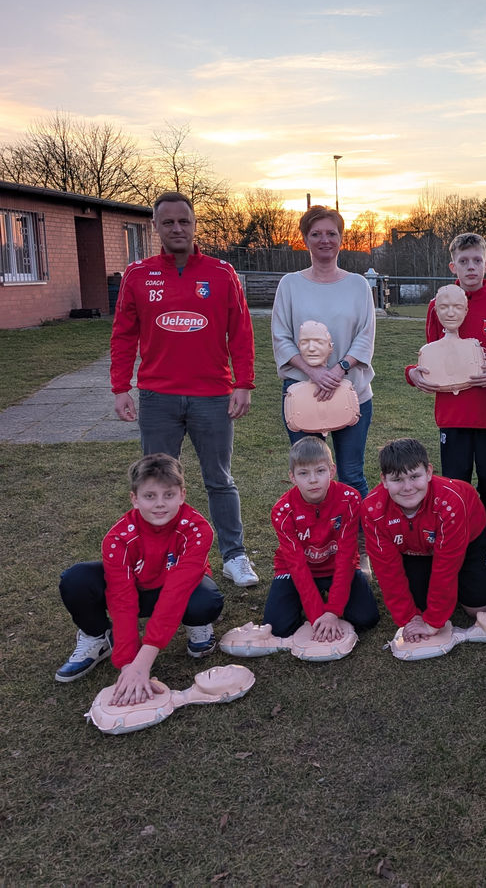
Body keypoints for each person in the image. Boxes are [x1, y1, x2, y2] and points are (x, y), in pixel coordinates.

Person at [111, 190, 258, 587]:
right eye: (169, 222)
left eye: (184, 221)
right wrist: (120, 387)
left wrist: (243, 382)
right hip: (158, 396)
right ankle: (160, 558)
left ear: (194, 226)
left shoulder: (220, 273)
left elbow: (241, 333)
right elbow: (123, 335)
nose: (177, 228)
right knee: (156, 483)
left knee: (219, 478)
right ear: (155, 226)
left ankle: (234, 556)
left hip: (212, 395)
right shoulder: (138, 276)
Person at [55, 454, 225, 702]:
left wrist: (144, 662)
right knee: (76, 579)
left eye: (168, 495)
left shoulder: (197, 529)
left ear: (182, 495)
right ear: (134, 499)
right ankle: (96, 636)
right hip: (136, 589)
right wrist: (128, 664)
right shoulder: (118, 538)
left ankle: (198, 626)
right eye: (149, 496)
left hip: (176, 590)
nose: (159, 504)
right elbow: (122, 600)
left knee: (205, 600)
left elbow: (175, 593)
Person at [406, 233, 486, 551]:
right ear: (453, 265)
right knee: (454, 481)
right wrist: (413, 374)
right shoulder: (436, 306)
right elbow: (429, 358)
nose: (471, 267)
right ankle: (457, 540)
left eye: (477, 261)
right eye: (464, 261)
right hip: (453, 416)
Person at [272, 205, 376, 496]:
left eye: (331, 233)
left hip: (350, 389)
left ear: (341, 238)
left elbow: (365, 335)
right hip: (303, 391)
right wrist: (313, 372)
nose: (324, 240)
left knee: (351, 475)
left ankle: (359, 540)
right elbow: (281, 337)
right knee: (310, 475)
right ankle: (314, 539)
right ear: (305, 239)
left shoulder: (358, 285)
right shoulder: (290, 285)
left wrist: (338, 369)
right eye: (316, 233)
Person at [360, 438, 486, 641]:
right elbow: (387, 570)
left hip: (467, 540)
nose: (407, 487)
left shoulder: (450, 501)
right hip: (415, 547)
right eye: (397, 480)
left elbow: (447, 566)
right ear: (384, 480)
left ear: (429, 472)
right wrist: (409, 618)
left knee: (478, 609)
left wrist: (433, 622)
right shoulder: (372, 509)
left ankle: (479, 571)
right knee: (419, 606)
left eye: (414, 476)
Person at [264, 437, 380, 641]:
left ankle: (329, 597)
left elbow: (346, 557)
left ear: (332, 471)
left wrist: (333, 611)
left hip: (337, 567)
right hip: (296, 569)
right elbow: (296, 564)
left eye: (320, 471)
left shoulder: (350, 498)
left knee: (366, 618)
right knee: (279, 627)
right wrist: (318, 615)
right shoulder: (282, 511)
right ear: (292, 477)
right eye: (303, 473)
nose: (313, 480)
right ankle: (310, 597)